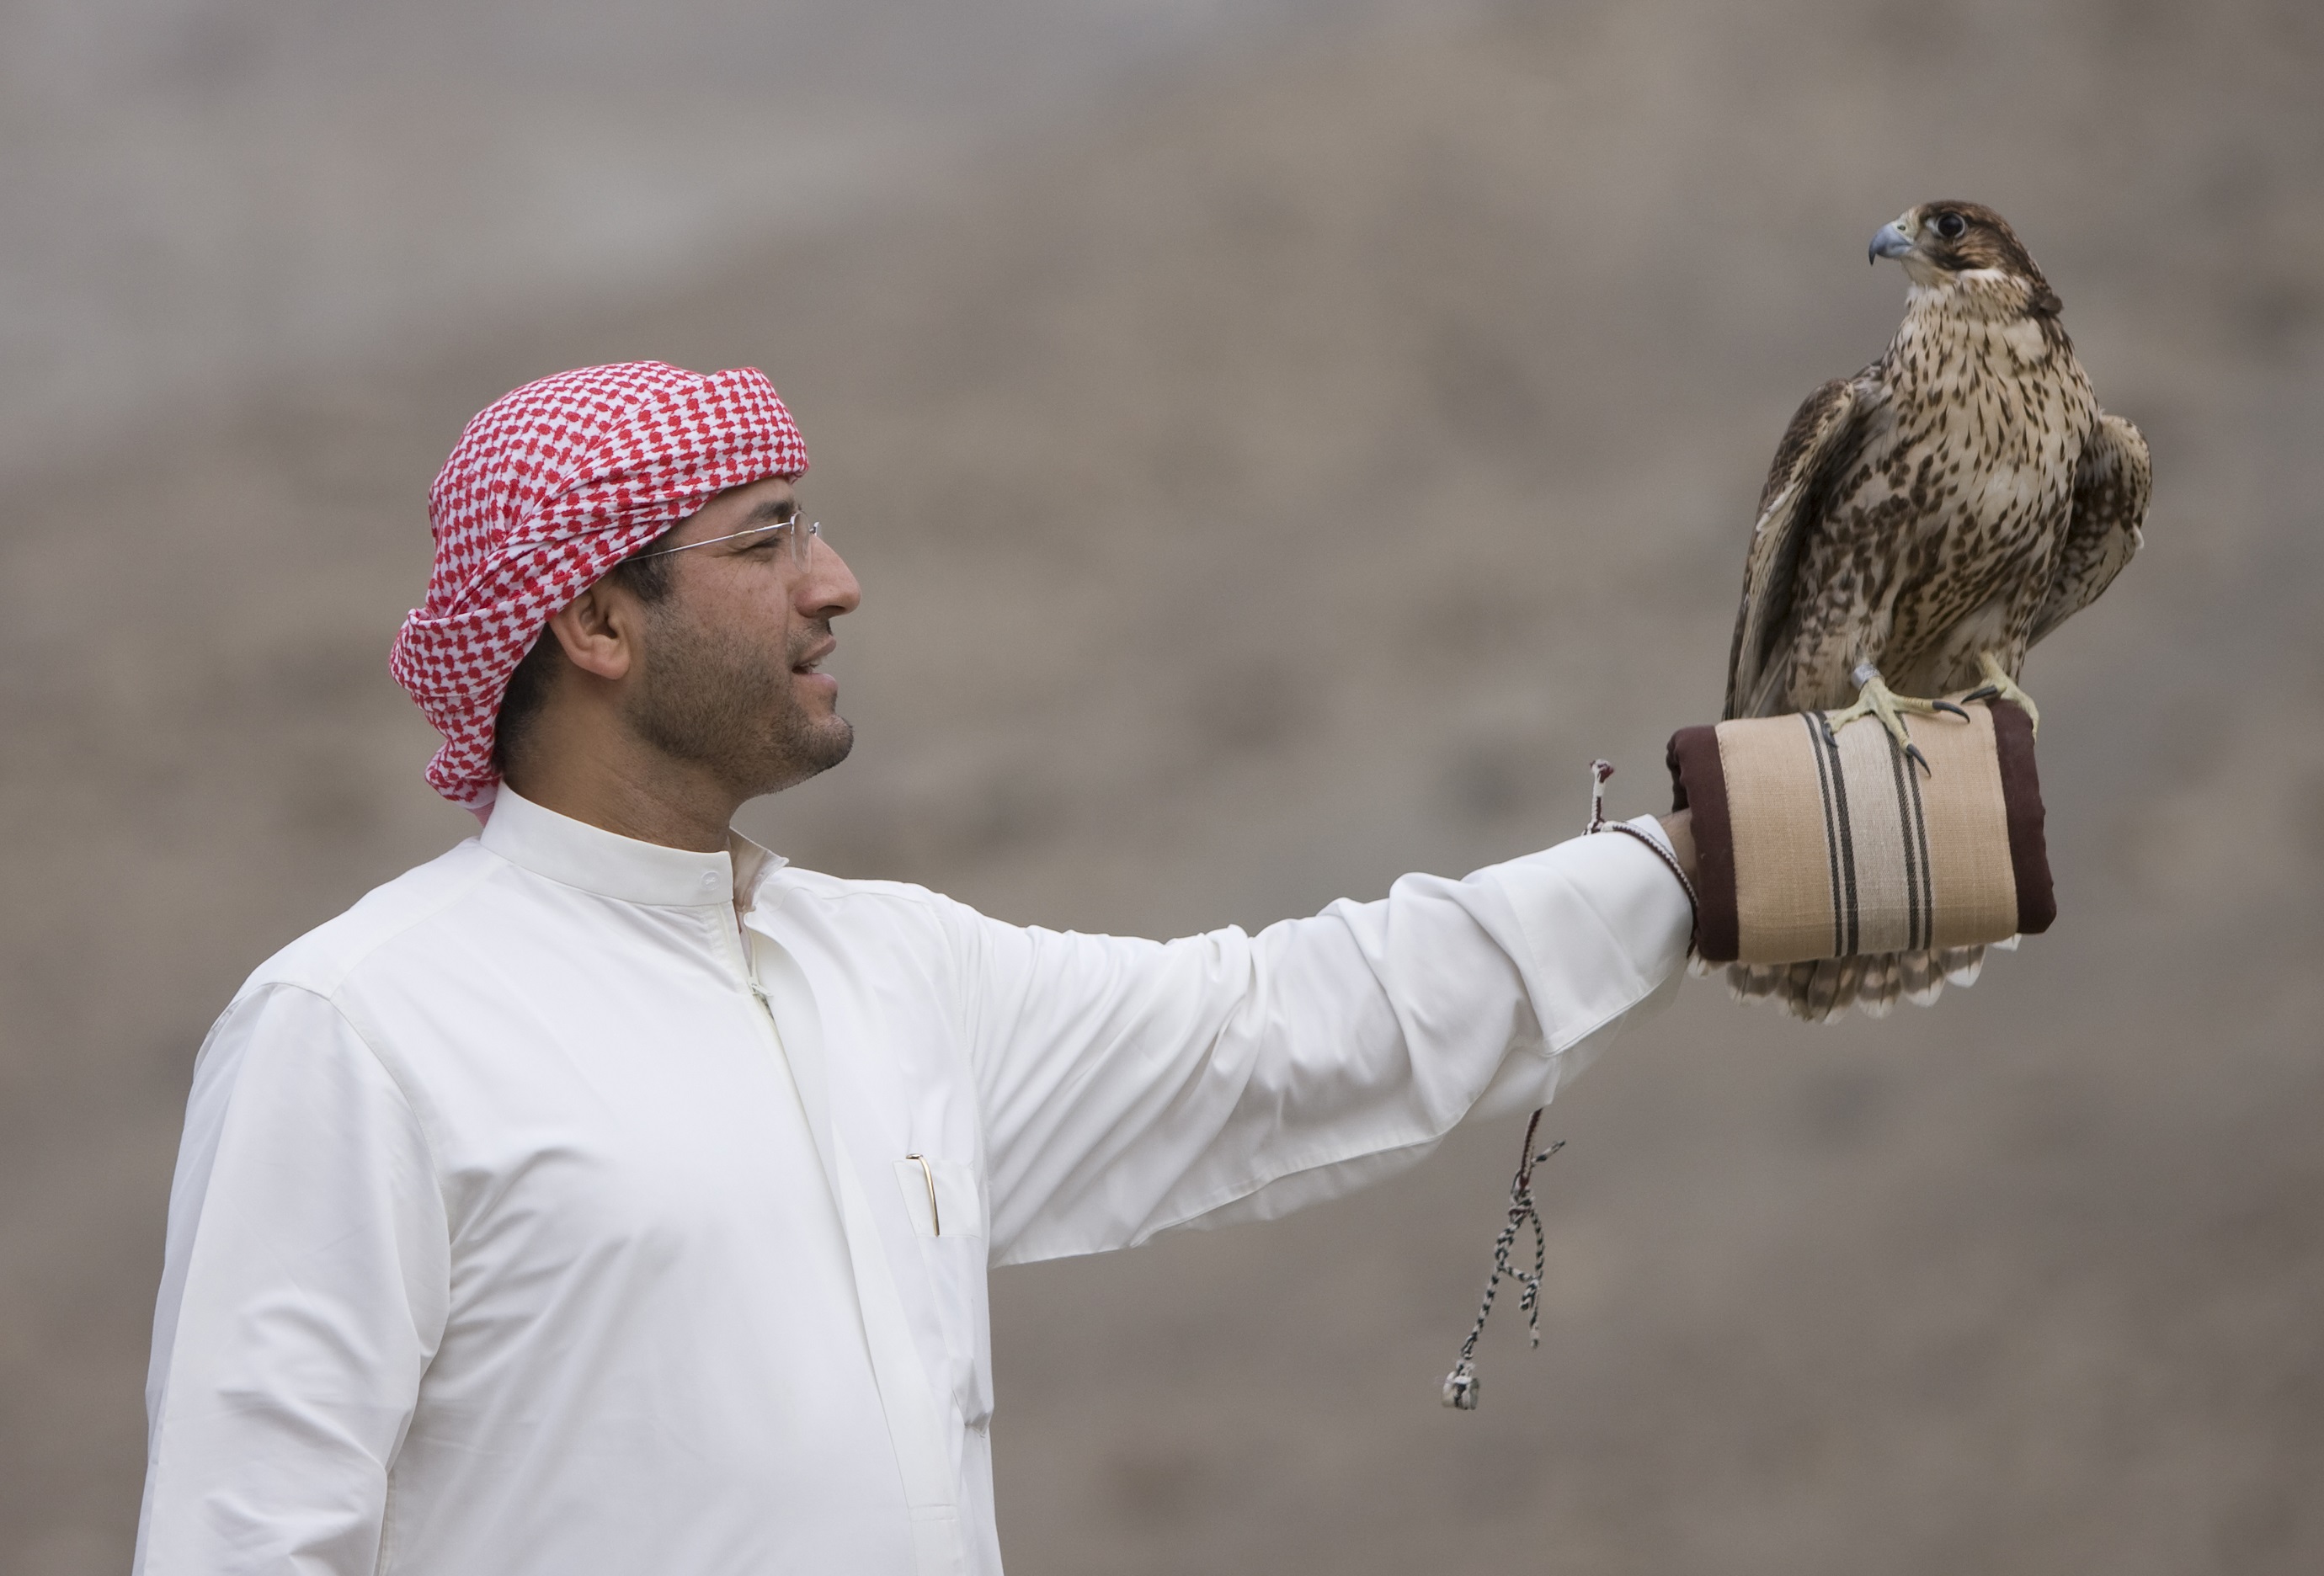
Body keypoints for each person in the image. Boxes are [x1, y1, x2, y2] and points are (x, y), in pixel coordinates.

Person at [134, 362, 1701, 1576]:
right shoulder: (359, 1030)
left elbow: (1284, 1031)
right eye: (768, 537)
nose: (835, 582)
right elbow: (244, 1541)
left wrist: (1695, 873)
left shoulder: (890, 972)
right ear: (600, 620)